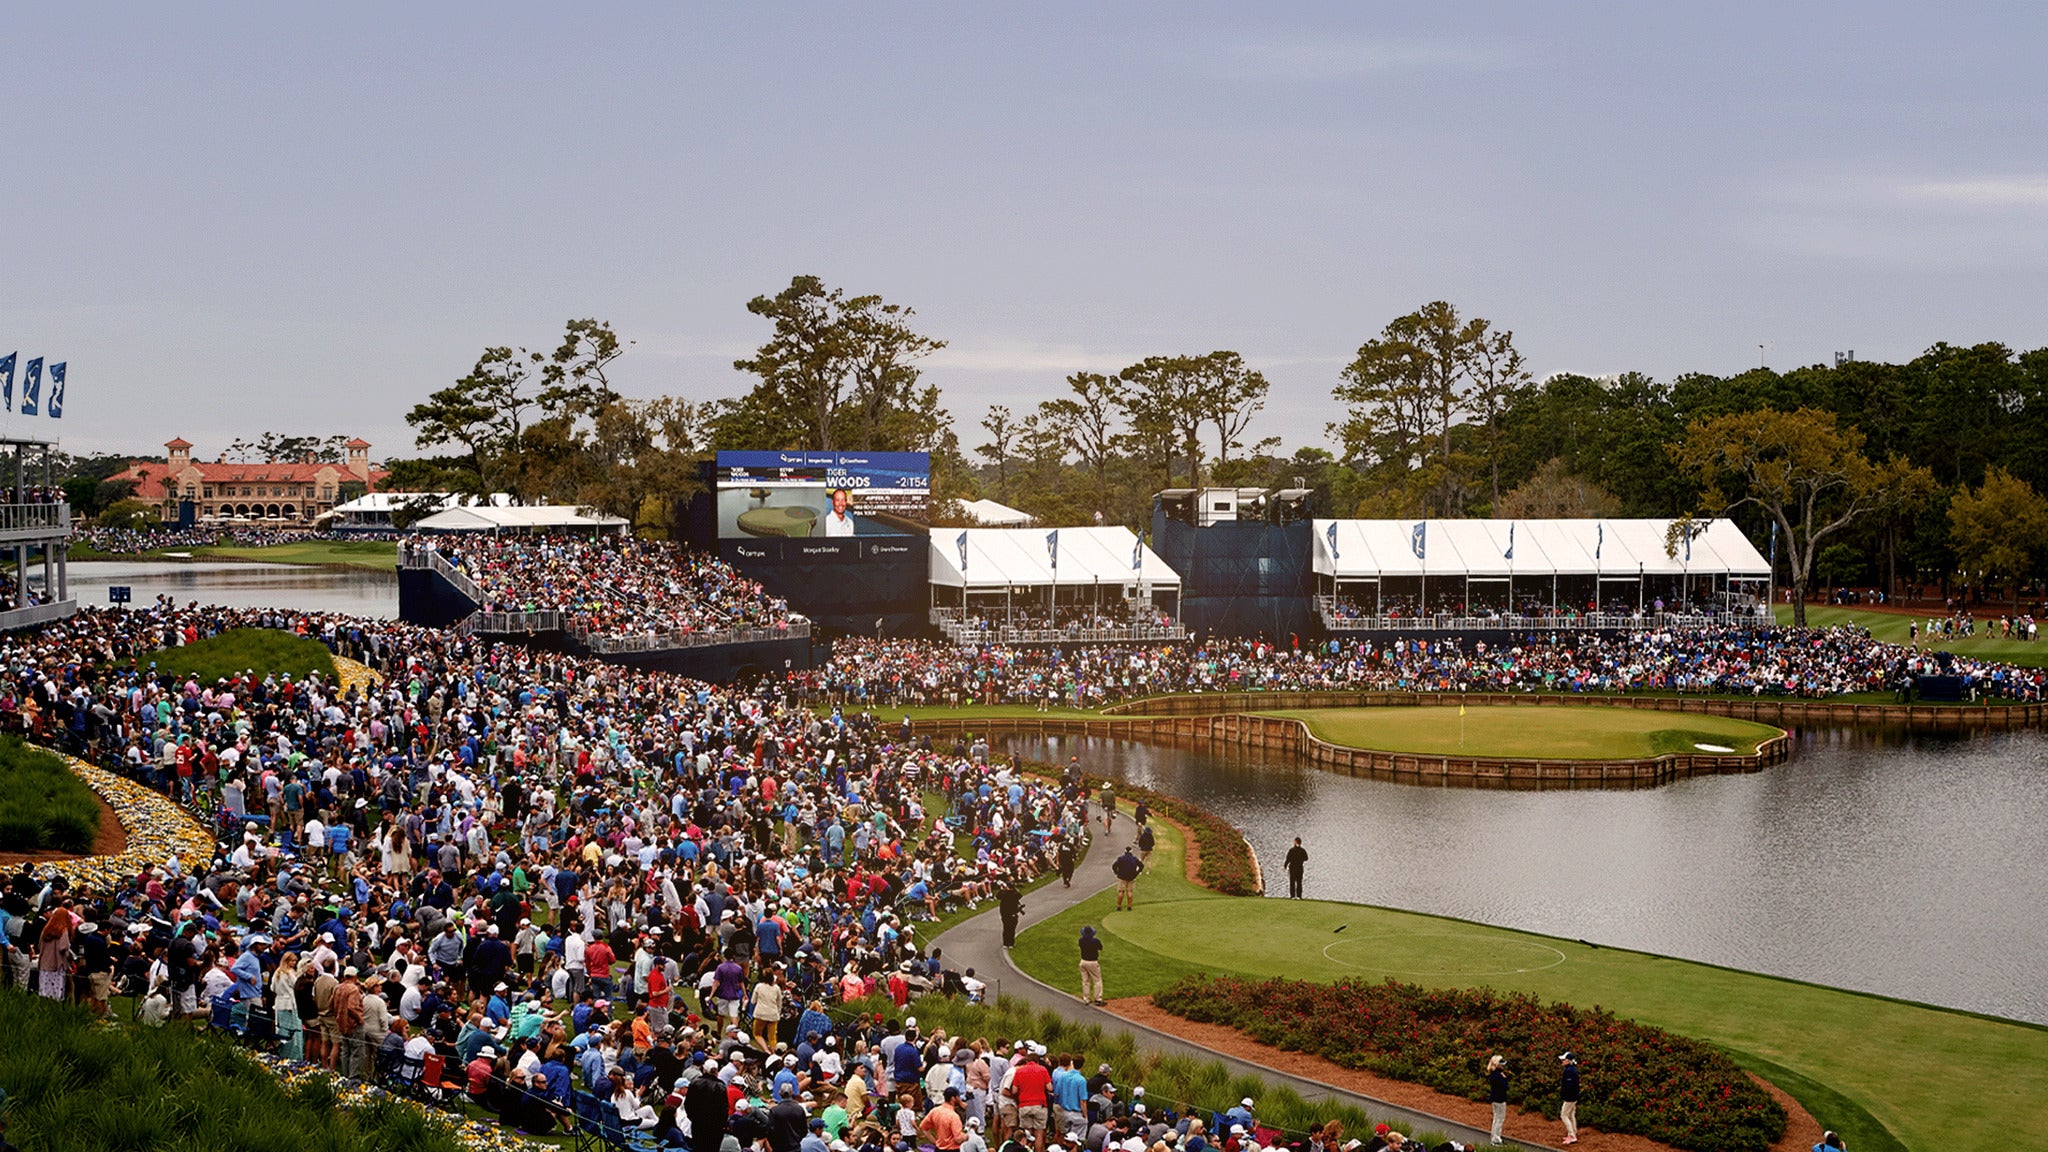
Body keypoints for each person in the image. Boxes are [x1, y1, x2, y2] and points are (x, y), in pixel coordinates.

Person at [1485, 1054, 1509, 1145]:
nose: (1503, 1066)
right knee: (1500, 1119)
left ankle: (1494, 1136)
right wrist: (1505, 1079)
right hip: (1500, 1099)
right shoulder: (1498, 1075)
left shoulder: (1493, 1074)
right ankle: (1496, 1139)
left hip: (1495, 1098)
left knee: (1496, 1118)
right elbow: (1505, 1086)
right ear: (1497, 1064)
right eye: (1501, 1064)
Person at [1076, 927, 1104, 1007]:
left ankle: (1086, 998)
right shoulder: (1095, 941)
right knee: (1097, 980)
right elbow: (1100, 948)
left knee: (1085, 981)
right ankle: (1098, 999)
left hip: (1083, 962)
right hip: (1092, 962)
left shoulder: (1081, 940)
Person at [1558, 1051, 1579, 1145]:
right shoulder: (1573, 1069)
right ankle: (1573, 1131)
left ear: (1568, 1061)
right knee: (1571, 1114)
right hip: (1574, 1097)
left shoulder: (1569, 1071)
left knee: (1564, 1115)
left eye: (1563, 1059)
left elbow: (1569, 1085)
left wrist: (1564, 1095)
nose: (1562, 1061)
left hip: (1570, 1097)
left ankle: (1572, 1135)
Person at [997, 881, 1023, 949]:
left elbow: (998, 896)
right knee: (1011, 929)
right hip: (1010, 914)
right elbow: (1019, 895)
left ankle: (1007, 943)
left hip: (1007, 914)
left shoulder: (1005, 894)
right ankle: (1010, 943)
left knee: (1007, 928)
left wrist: (1002, 890)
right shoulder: (1013, 894)